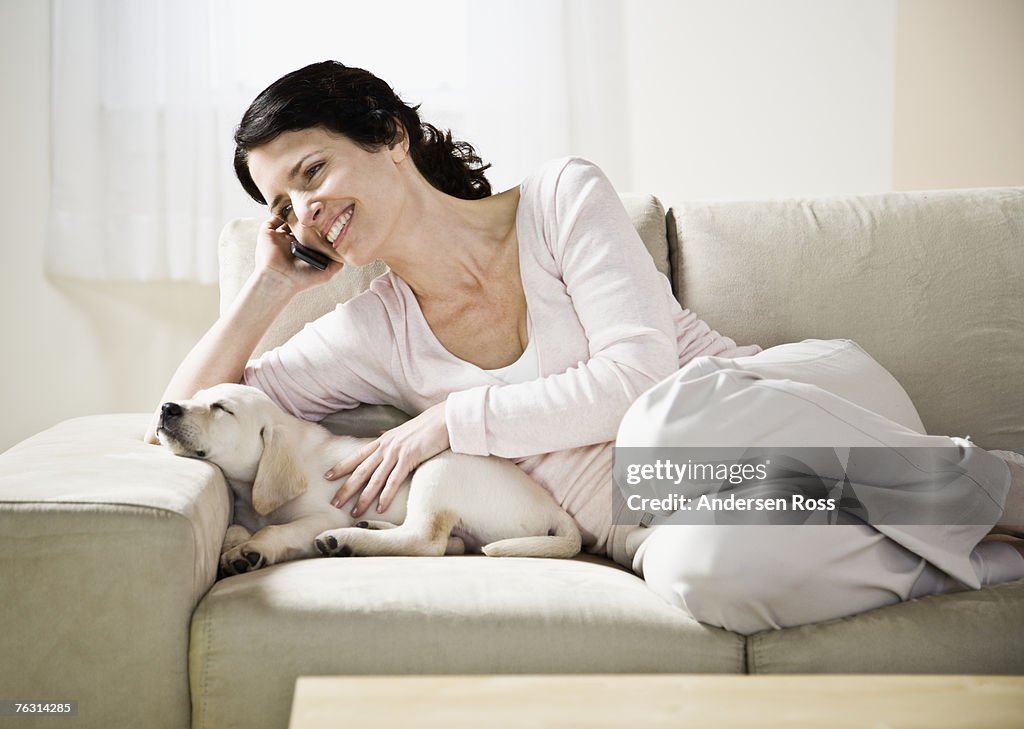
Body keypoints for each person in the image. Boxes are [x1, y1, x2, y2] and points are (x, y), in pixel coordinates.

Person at [146, 60, 1024, 635]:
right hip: (667, 515)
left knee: (659, 431)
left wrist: (453, 420)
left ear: (388, 135)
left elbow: (640, 375)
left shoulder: (561, 199)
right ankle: (991, 551)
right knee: (701, 574)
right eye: (284, 206)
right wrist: (271, 284)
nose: (307, 213)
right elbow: (178, 423)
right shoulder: (375, 328)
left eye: (312, 173)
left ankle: (995, 481)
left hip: (774, 404)